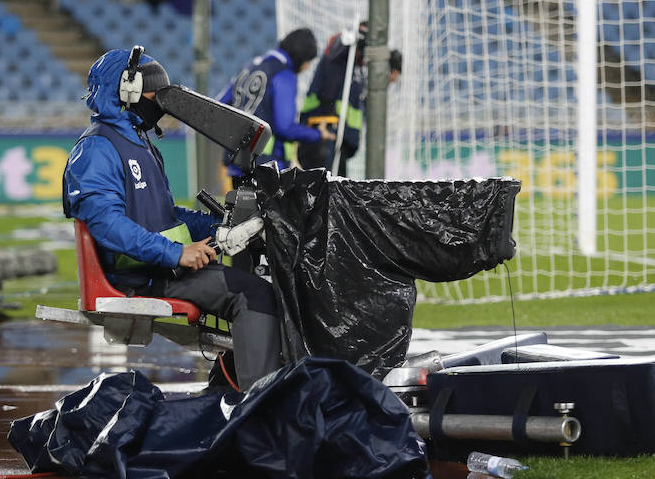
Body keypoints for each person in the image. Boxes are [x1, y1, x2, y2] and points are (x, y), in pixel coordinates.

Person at [62, 47, 282, 391]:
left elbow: (167, 215)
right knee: (254, 295)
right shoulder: (95, 150)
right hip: (140, 275)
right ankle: (260, 403)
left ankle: (227, 391)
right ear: (128, 90)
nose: (161, 102)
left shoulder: (140, 142)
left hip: (160, 266)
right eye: (156, 93)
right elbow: (106, 224)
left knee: (261, 283)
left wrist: (223, 226)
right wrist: (175, 253)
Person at [217, 28, 335, 176]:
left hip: (237, 160)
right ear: (300, 57)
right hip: (267, 165)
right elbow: (285, 127)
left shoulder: (250, 66)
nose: (307, 67)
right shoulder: (284, 74)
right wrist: (317, 134)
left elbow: (220, 104)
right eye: (308, 62)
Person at [298, 21, 402, 176]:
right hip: (322, 133)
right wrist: (361, 40)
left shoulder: (357, 70)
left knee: (337, 193)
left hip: (339, 140)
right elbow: (340, 42)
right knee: (322, 192)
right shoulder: (339, 55)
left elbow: (366, 98)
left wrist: (389, 63)